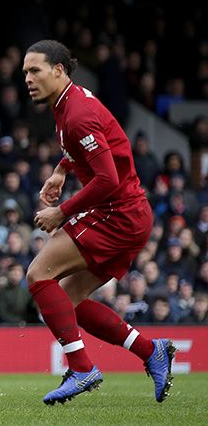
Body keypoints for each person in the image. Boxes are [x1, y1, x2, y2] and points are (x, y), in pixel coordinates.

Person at [23, 40, 174, 405]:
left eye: (35, 71)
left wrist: (62, 211)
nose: (27, 79)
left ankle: (82, 368)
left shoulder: (76, 114)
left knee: (38, 275)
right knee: (70, 299)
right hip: (127, 213)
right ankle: (151, 350)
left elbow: (108, 179)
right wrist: (61, 170)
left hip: (117, 214)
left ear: (58, 70)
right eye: (25, 72)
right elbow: (90, 151)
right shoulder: (67, 105)